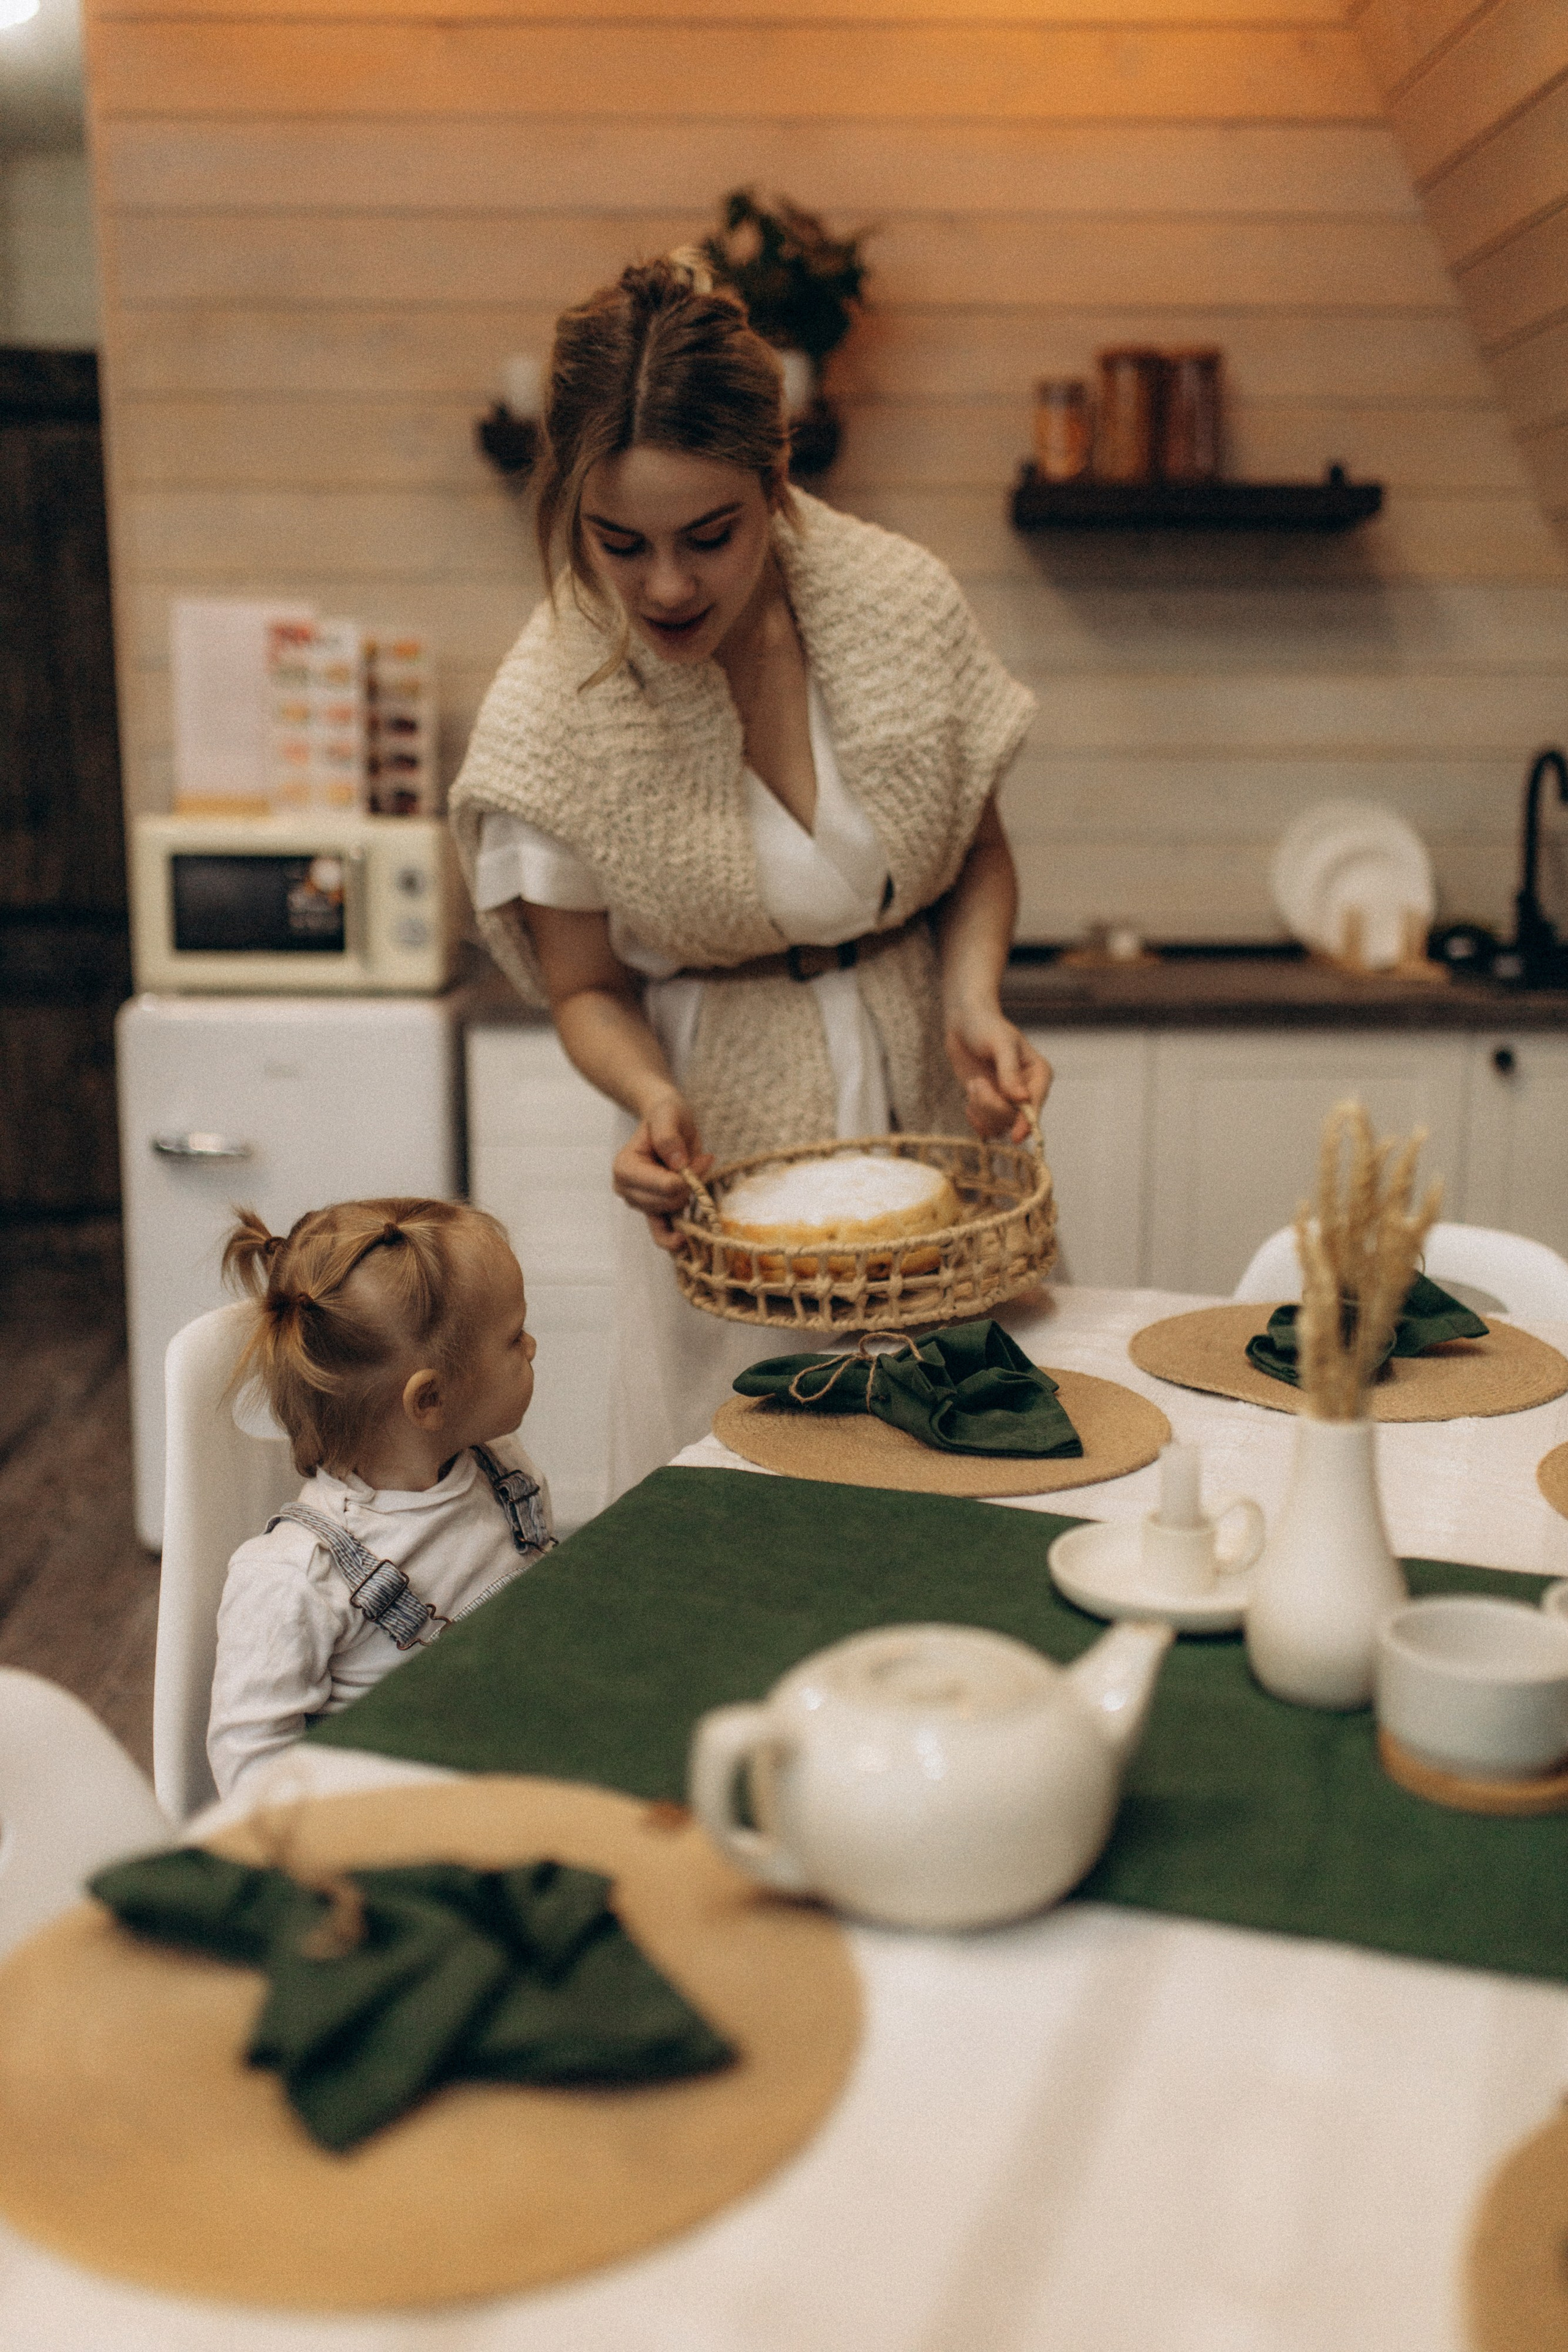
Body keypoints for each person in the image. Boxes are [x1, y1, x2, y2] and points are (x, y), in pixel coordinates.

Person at [449, 251, 1050, 1490]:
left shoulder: (897, 600)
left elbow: (976, 857)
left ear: (773, 482)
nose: (665, 585)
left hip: (927, 1138)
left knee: (968, 1479)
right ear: (568, 507)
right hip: (725, 1175)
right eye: (618, 543)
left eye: (708, 537)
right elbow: (582, 989)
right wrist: (649, 1097)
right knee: (743, 1491)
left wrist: (972, 999)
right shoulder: (550, 705)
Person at [207, 1197, 552, 1799]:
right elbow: (253, 1772)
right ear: (429, 1401)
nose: (531, 1347)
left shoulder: (504, 1471)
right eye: (513, 1337)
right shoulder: (295, 1581)